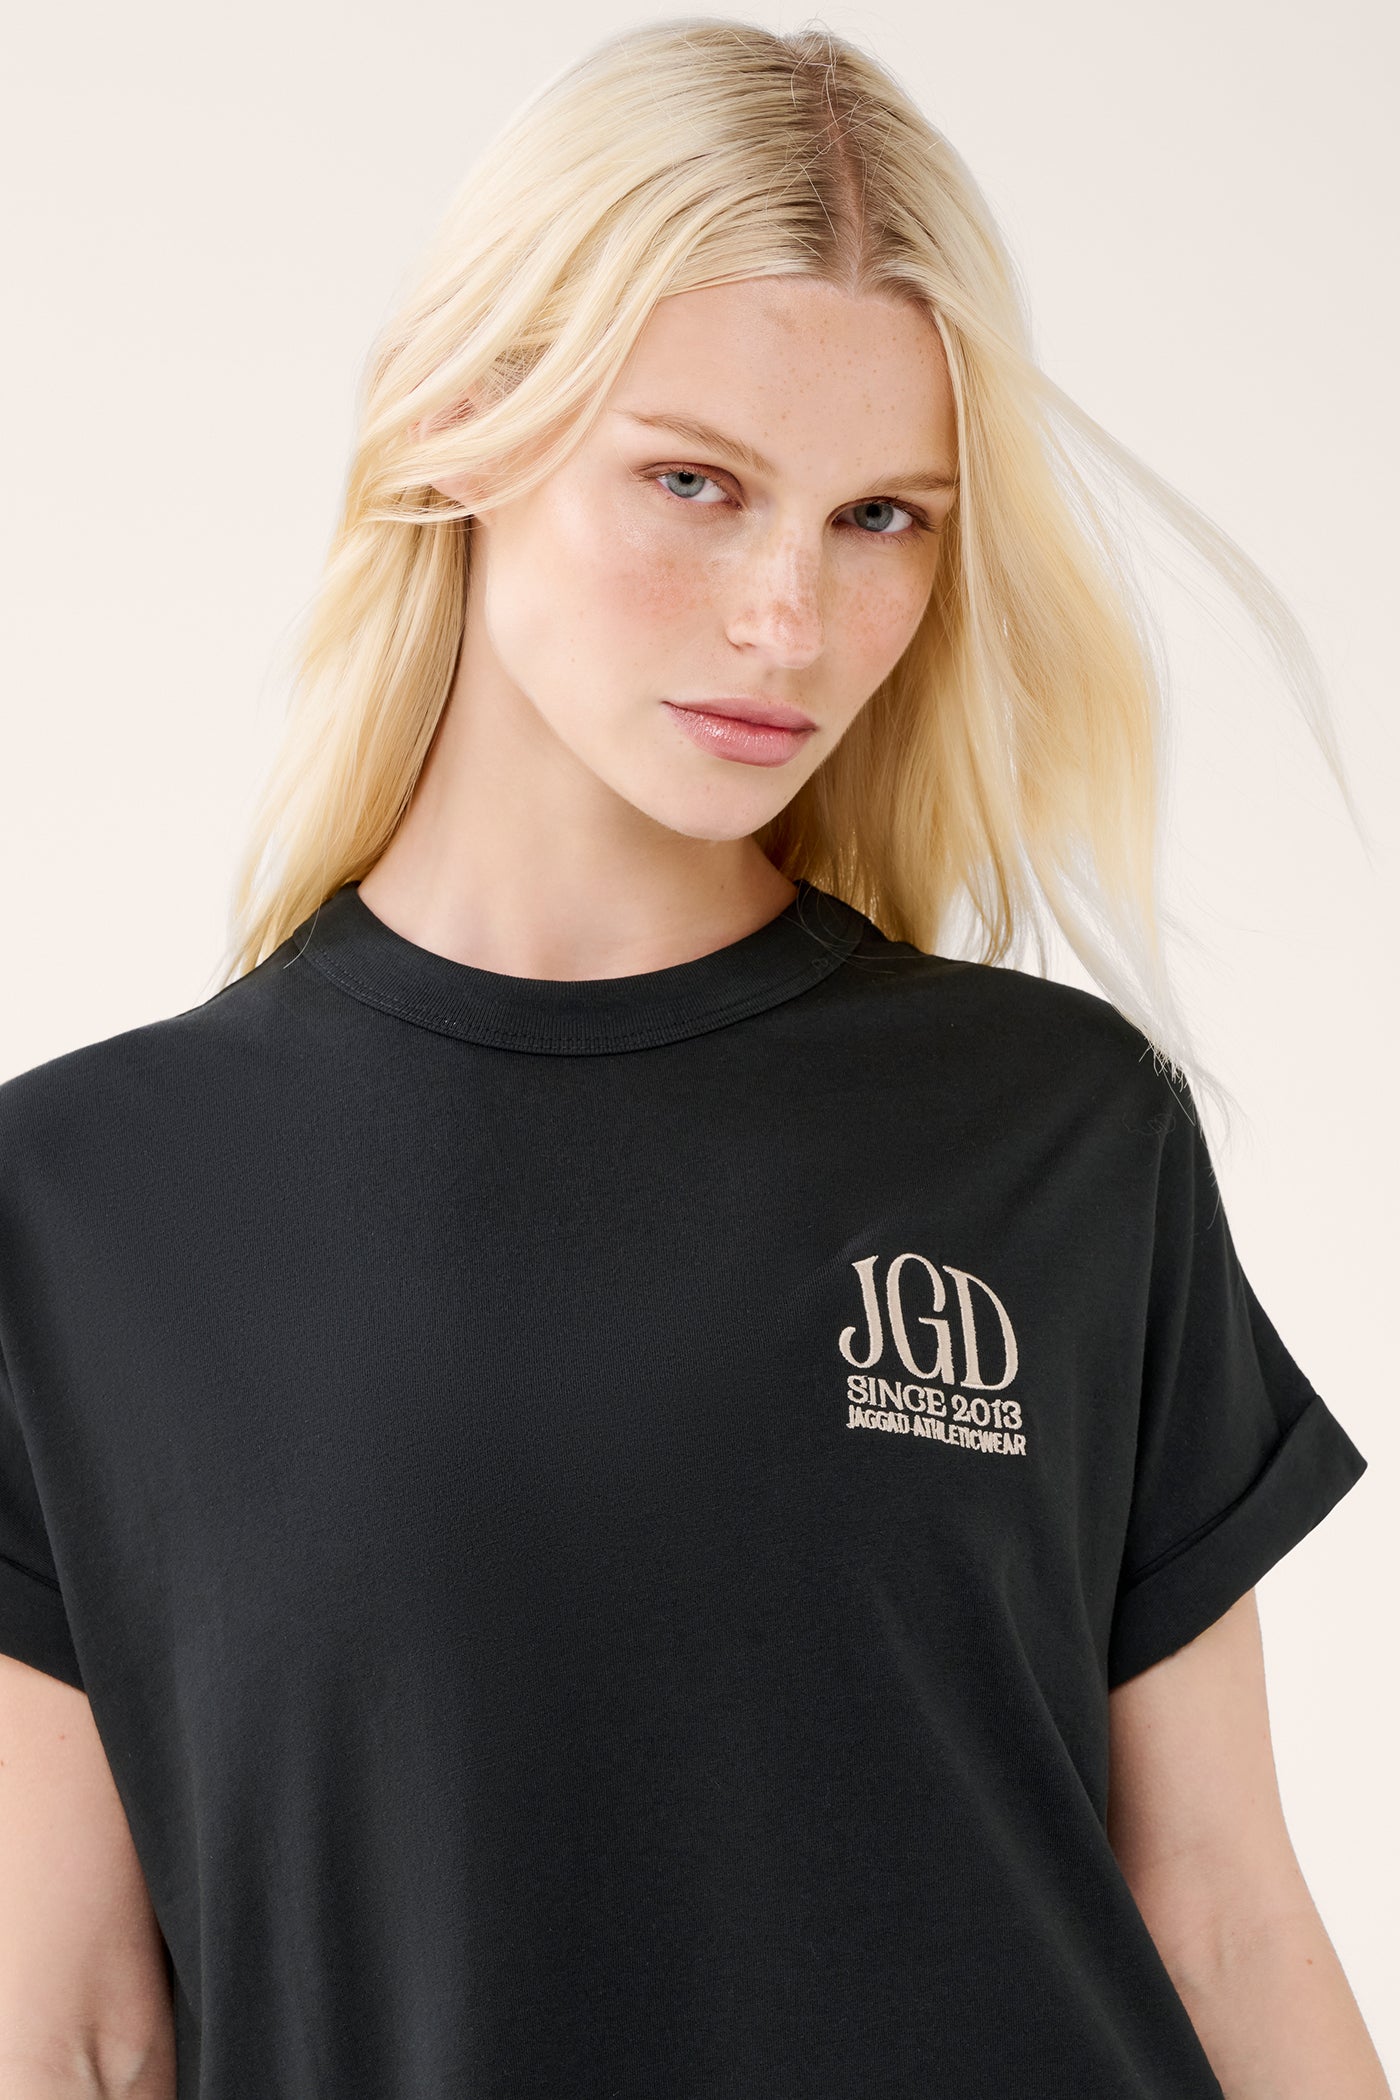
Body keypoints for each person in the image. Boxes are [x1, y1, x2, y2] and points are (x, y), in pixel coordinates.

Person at [0, 18, 1387, 2100]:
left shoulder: (1052, 1134)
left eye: (881, 517)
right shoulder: (82, 1204)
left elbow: (1223, 1921)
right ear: (463, 426)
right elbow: (74, 2029)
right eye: (693, 484)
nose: (788, 621)